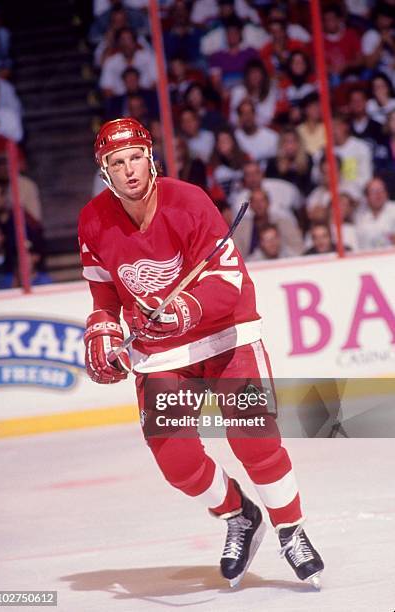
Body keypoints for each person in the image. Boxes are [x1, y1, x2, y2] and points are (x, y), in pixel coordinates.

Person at [78, 117, 324, 589]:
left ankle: (290, 528)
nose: (129, 170)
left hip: (227, 335)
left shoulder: (189, 202)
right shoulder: (92, 220)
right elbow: (105, 297)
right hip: (161, 351)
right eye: (117, 162)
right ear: (106, 172)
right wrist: (103, 330)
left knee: (253, 438)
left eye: (135, 158)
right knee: (177, 462)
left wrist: (184, 311)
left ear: (149, 159)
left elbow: (228, 283)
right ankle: (238, 513)